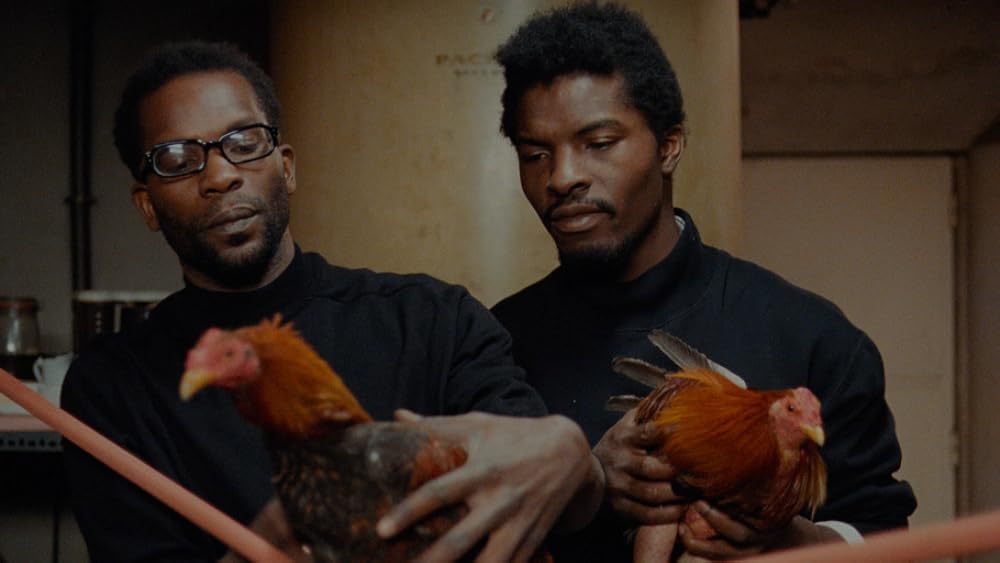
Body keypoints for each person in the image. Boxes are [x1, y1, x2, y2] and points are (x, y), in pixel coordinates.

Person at [60, 40, 602, 563]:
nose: (220, 176)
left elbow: (545, 492)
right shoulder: (111, 389)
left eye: (244, 142)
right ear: (147, 205)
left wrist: (570, 453)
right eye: (177, 158)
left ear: (287, 167)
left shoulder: (436, 321)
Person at [489, 3, 918, 561]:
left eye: (599, 143)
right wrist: (586, 485)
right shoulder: (493, 346)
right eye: (535, 154)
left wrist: (790, 539)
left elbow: (885, 534)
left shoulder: (811, 337)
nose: (562, 176)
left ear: (669, 146)